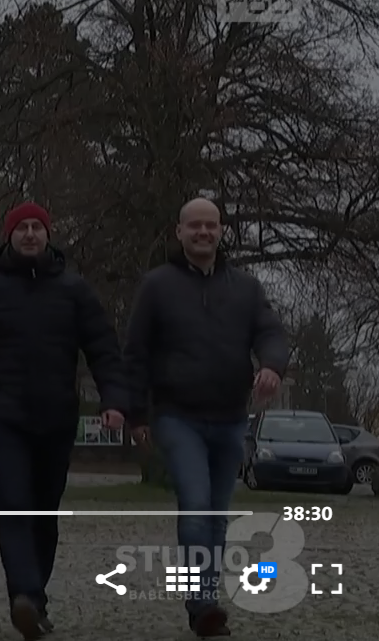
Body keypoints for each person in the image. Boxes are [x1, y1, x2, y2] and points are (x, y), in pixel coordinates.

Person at [0, 202, 127, 640]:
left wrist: (114, 400)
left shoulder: (75, 290)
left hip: (55, 418)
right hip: (2, 418)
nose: (29, 234)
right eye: (21, 228)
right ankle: (23, 593)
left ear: (48, 235)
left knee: (44, 512)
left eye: (36, 228)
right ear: (8, 236)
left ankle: (34, 600)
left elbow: (103, 348)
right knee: (14, 506)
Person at [124, 197, 289, 638]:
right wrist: (136, 412)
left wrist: (271, 365)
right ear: (178, 232)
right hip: (178, 416)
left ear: (220, 232)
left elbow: (270, 331)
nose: (203, 232)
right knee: (196, 507)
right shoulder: (157, 286)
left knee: (216, 515)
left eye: (210, 225)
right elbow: (136, 352)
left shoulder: (246, 288)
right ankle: (201, 603)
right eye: (194, 225)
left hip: (231, 416)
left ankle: (204, 603)